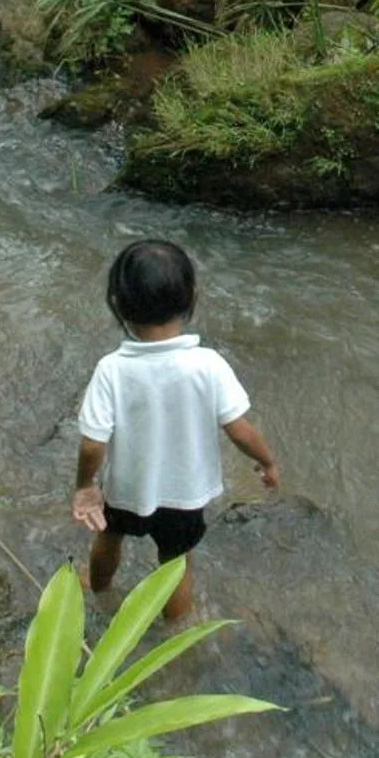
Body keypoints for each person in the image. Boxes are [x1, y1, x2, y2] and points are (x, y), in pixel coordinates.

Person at [71, 240, 279, 622]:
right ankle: (175, 631)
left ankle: (100, 592)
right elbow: (239, 429)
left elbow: (92, 444)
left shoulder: (112, 369)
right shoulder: (209, 364)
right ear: (192, 297)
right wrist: (267, 462)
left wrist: (86, 487)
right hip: (186, 495)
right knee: (175, 562)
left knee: (109, 537)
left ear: (117, 304)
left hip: (127, 490)